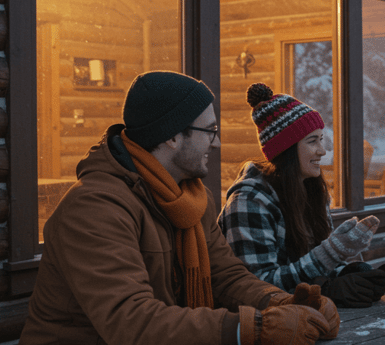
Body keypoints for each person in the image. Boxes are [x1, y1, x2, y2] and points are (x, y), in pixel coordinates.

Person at [21, 71, 339, 345]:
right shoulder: (94, 209)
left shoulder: (191, 199)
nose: (216, 143)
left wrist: (284, 302)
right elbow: (131, 321)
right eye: (210, 131)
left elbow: (227, 277)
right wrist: (253, 329)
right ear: (173, 137)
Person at [218, 83, 385, 308]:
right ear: (286, 149)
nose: (322, 150)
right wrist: (331, 259)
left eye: (321, 139)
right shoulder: (249, 202)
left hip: (302, 316)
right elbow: (258, 286)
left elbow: (310, 264)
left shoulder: (312, 191)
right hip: (260, 322)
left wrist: (348, 273)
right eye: (312, 141)